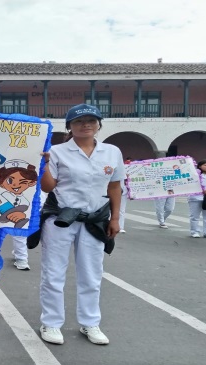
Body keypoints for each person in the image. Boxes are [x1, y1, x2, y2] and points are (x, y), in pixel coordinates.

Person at [38, 104, 123, 346]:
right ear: (69, 126)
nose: (85, 125)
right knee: (53, 273)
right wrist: (43, 165)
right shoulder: (56, 151)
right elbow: (47, 187)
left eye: (90, 120)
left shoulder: (112, 151)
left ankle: (90, 323)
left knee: (92, 274)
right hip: (60, 219)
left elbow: (115, 186)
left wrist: (115, 218)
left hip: (95, 219)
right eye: (78, 121)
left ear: (98, 124)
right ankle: (51, 323)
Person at [187, 160, 206, 239]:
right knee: (195, 216)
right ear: (200, 166)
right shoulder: (194, 175)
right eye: (205, 165)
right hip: (195, 198)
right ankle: (195, 231)